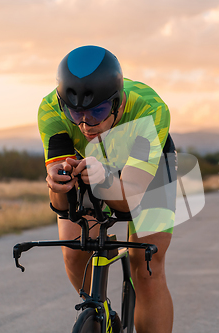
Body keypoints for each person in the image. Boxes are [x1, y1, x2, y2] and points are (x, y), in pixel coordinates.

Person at [38, 45, 176, 333]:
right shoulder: (51, 108)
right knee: (74, 252)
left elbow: (130, 201)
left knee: (148, 266)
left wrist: (107, 181)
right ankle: (102, 315)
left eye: (98, 111)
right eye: (75, 113)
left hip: (147, 168)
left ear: (119, 103)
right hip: (89, 162)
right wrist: (56, 184)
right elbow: (62, 206)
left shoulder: (150, 110)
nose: (86, 124)